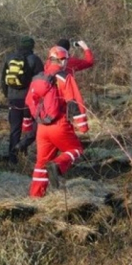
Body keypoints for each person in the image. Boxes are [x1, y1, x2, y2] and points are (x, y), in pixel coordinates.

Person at [25, 46, 89, 198]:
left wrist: (27, 123)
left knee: (41, 164)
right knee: (76, 150)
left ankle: (35, 195)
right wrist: (83, 125)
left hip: (42, 126)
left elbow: (29, 101)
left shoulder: (40, 77)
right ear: (62, 60)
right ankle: (57, 166)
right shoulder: (64, 77)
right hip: (59, 124)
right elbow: (75, 101)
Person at [1, 36, 44, 164]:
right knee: (33, 128)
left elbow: (3, 80)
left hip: (13, 99)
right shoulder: (35, 60)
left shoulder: (9, 59)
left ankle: (13, 159)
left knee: (15, 129)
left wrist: (8, 95)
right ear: (31, 46)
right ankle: (23, 148)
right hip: (30, 100)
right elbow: (41, 81)